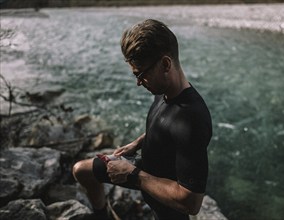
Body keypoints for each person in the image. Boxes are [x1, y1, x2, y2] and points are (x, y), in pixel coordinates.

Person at [73, 19, 212, 220]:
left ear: (165, 64)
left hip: (167, 207)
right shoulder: (164, 90)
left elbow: (191, 202)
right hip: (145, 168)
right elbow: (166, 124)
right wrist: (137, 143)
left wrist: (133, 175)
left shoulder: (192, 119)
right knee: (82, 171)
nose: (138, 83)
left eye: (141, 74)